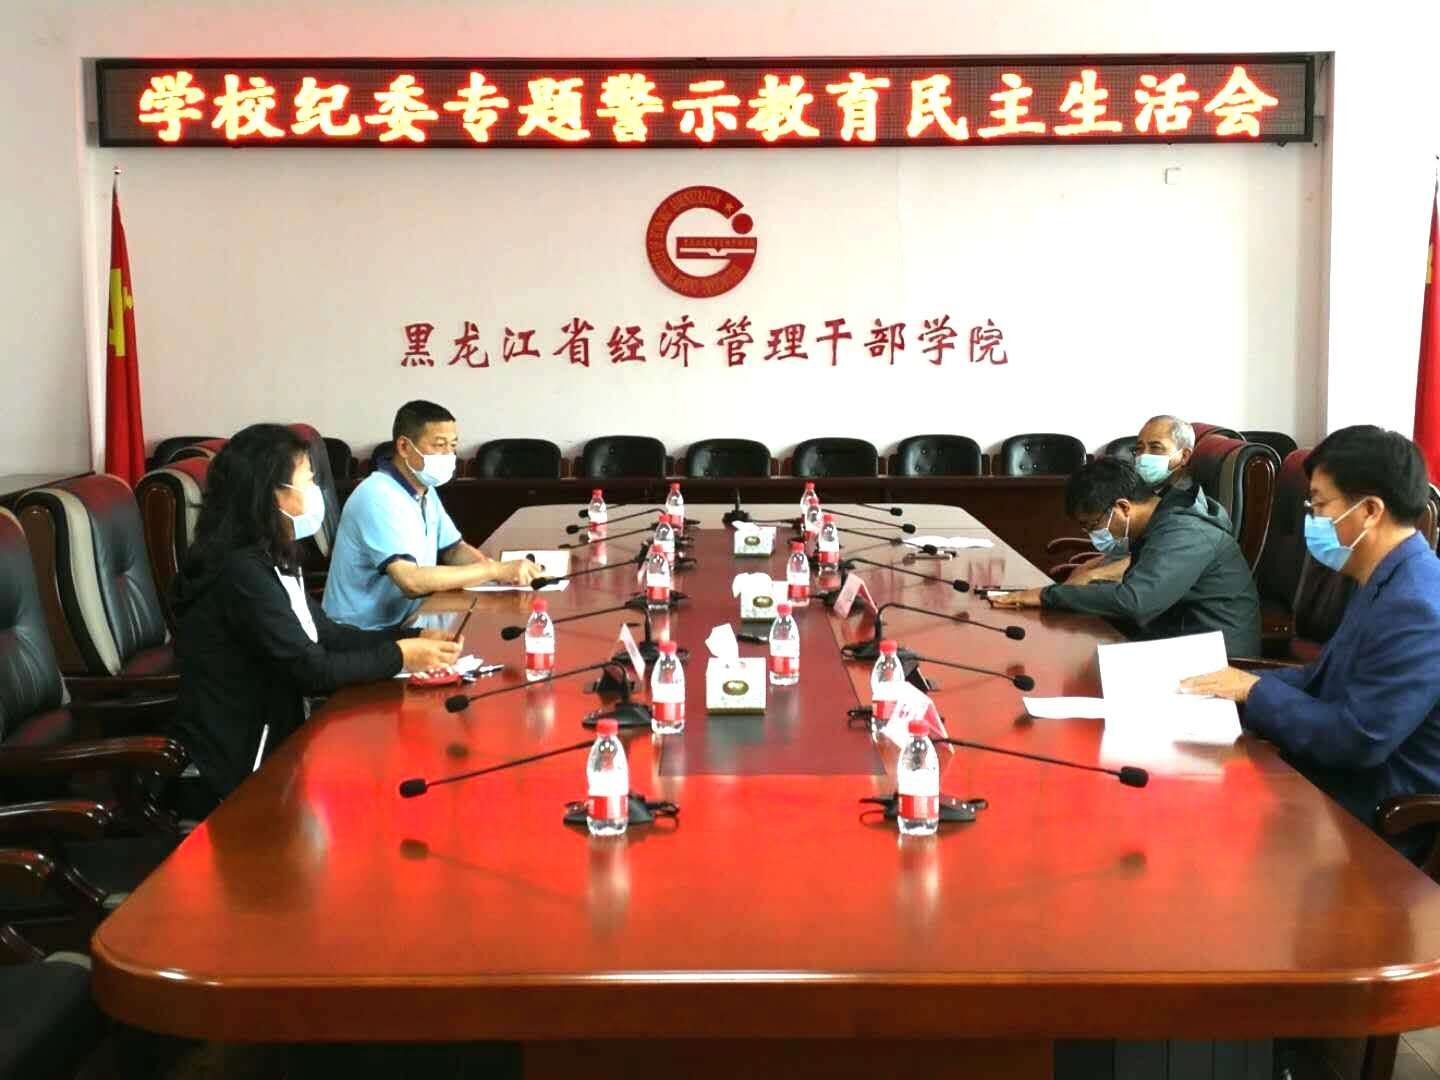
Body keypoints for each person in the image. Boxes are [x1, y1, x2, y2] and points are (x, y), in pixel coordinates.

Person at [1181, 426, 1440, 862]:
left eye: (1318, 505)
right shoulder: (1389, 577)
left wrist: (1254, 691)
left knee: (1204, 832)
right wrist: (1233, 683)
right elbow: (1324, 677)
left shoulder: (1417, 605)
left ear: (1370, 510)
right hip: (1340, 779)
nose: (1311, 518)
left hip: (1380, 814)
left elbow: (1357, 740)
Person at [172, 424, 462, 807]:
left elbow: (325, 633)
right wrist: (400, 657)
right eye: (308, 481)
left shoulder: (270, 552)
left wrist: (410, 638)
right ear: (271, 492)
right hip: (245, 757)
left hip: (282, 729)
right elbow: (310, 669)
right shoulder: (240, 570)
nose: (317, 492)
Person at [991, 457, 1262, 657]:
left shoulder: (1186, 533)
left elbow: (1136, 601)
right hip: (1180, 642)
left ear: (1123, 507)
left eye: (1092, 524)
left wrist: (1048, 596)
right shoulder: (1162, 523)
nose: (1092, 534)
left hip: (1217, 663)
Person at [322, 400, 542, 630]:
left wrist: (500, 573)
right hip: (362, 632)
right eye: (439, 445)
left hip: (410, 618)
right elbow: (411, 582)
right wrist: (492, 570)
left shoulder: (424, 489)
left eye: (452, 445)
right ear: (404, 447)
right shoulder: (377, 496)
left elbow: (453, 550)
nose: (449, 455)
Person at [1066, 414, 1218, 586]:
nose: (1144, 456)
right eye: (1139, 449)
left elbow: (1157, 560)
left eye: (1155, 448)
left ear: (1184, 456)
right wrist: (1094, 565)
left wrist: (1092, 575)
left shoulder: (1188, 506)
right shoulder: (1153, 487)